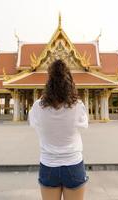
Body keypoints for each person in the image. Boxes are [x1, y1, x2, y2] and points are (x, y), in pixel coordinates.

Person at [28, 59, 89, 200]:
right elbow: (84, 124)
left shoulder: (38, 106)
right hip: (73, 163)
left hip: (48, 164)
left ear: (49, 81)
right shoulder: (78, 105)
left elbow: (34, 123)